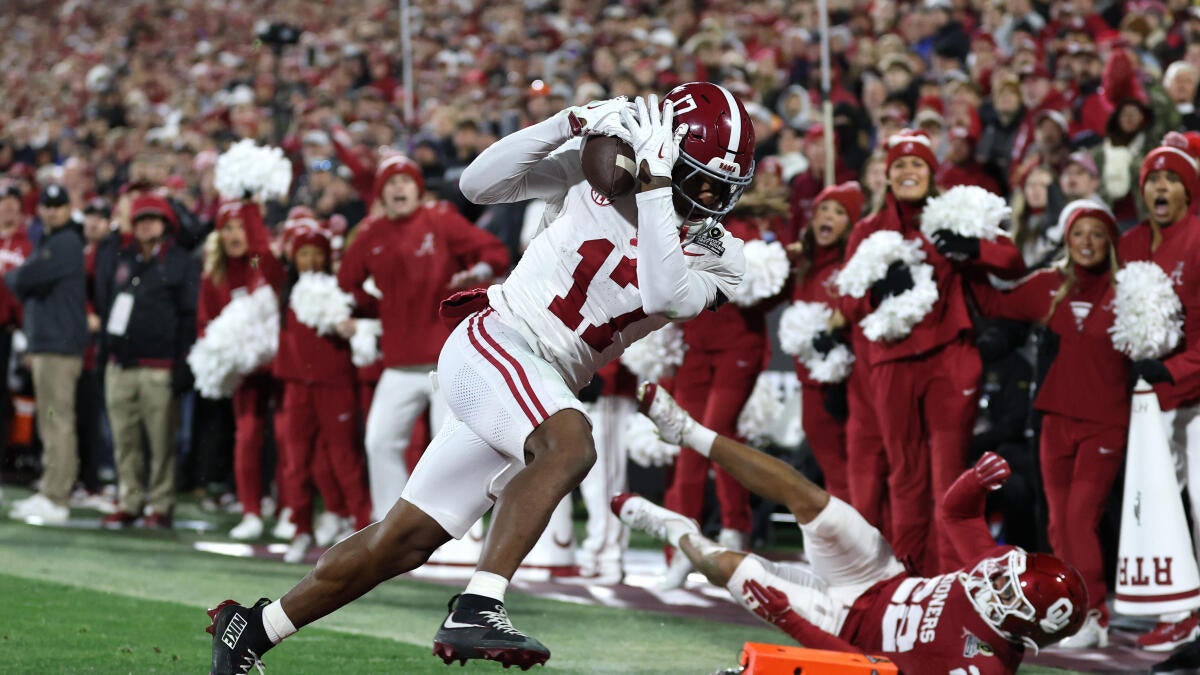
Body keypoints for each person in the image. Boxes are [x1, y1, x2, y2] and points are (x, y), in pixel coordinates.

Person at [206, 83, 754, 673]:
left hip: (536, 382)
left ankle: (254, 629)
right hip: (498, 340)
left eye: (719, 186)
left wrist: (655, 185)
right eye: (698, 178)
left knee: (403, 540)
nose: (707, 197)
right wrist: (567, 123)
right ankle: (478, 605)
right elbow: (476, 185)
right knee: (570, 445)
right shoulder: (599, 169)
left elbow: (666, 293)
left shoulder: (724, 256)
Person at [615, 382, 1088, 674]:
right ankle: (686, 430)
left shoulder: (980, 666)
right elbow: (958, 516)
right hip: (880, 575)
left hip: (838, 626)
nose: (994, 577)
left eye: (1008, 593)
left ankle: (676, 529)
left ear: (1024, 627)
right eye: (1007, 576)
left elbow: (869, 669)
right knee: (811, 500)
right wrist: (974, 482)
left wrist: (790, 620)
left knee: (726, 567)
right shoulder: (995, 572)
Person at [841, 129, 1026, 574]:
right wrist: (876, 292)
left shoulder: (954, 216)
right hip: (891, 361)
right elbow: (846, 302)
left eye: (917, 164)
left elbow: (1012, 262)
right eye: (900, 165)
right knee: (906, 475)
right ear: (888, 176)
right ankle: (911, 581)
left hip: (951, 358)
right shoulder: (867, 229)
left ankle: (950, 579)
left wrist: (974, 247)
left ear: (931, 173)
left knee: (948, 475)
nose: (908, 171)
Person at [970, 201, 1128, 648]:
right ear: (1066, 239)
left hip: (1105, 423)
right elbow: (993, 302)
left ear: (1111, 242)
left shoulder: (1130, 290)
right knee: (1058, 522)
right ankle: (1070, 610)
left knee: (1080, 519)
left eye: (1097, 234)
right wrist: (971, 257)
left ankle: (1093, 614)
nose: (1087, 243)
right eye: (1079, 234)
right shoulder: (1050, 285)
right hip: (1055, 419)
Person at [335, 154, 510, 522]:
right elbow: (347, 283)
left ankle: (457, 530)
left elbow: (493, 251)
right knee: (379, 441)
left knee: (451, 450)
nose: (398, 187)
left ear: (418, 189)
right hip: (399, 362)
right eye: (390, 183)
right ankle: (389, 526)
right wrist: (377, 311)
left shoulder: (440, 219)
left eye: (405, 180)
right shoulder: (370, 233)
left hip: (446, 361)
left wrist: (476, 272)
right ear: (381, 194)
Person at [1118, 136, 1200, 651]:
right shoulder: (1130, 244)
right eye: (1153, 179)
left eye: (1172, 179)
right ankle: (1179, 610)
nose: (1161, 187)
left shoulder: (1198, 239)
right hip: (1151, 402)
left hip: (1194, 396)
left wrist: (1175, 369)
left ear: (1189, 191)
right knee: (1161, 504)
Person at [95, 193, 198, 528]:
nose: (146, 225)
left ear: (166, 223)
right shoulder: (121, 256)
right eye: (140, 220)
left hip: (160, 366)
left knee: (161, 441)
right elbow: (105, 301)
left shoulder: (181, 261)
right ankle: (130, 500)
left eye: (153, 219)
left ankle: (161, 504)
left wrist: (183, 363)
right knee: (124, 440)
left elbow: (189, 316)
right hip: (120, 364)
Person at [273, 221, 370, 563]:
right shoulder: (285, 291)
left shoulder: (340, 290)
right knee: (297, 463)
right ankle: (301, 530)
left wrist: (356, 326)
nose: (311, 260)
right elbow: (258, 258)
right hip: (296, 387)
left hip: (334, 384)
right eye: (303, 253)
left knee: (345, 458)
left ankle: (362, 528)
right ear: (293, 257)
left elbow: (370, 310)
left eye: (318, 253)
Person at [198, 200, 286, 540]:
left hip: (280, 366)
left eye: (241, 227)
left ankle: (288, 509)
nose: (236, 235)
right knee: (247, 437)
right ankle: (250, 510)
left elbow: (273, 276)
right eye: (228, 228)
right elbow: (205, 324)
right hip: (246, 373)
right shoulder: (214, 275)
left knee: (286, 438)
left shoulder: (261, 262)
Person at [4, 184, 87, 525]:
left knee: (57, 419)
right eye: (47, 206)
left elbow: (24, 278)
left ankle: (57, 496)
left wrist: (17, 276)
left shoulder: (66, 242)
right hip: (48, 345)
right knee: (50, 419)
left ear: (68, 209)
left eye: (58, 206)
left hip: (59, 348)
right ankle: (50, 489)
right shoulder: (51, 240)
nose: (52, 211)